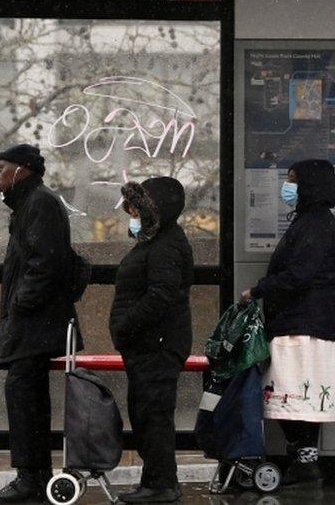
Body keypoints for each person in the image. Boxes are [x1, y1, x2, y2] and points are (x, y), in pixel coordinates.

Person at [0, 144, 80, 504]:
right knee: (28, 397)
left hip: (34, 326)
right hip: (33, 325)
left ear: (21, 170)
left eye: (2, 168)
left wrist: (21, 305)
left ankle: (30, 479)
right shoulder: (31, 204)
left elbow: (44, 264)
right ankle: (35, 476)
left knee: (23, 396)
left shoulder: (39, 203)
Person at [240, 159, 335, 487]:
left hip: (301, 326)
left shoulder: (313, 224)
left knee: (292, 395)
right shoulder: (315, 221)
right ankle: (303, 460)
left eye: (292, 180)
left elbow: (300, 274)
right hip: (305, 322)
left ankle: (304, 463)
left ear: (308, 185)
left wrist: (258, 290)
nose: (287, 187)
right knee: (299, 396)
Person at [109, 177, 194, 503]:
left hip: (157, 345)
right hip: (149, 345)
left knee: (153, 415)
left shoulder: (165, 244)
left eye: (135, 210)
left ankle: (160, 484)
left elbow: (162, 294)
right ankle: (157, 480)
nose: (131, 217)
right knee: (146, 413)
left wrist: (125, 326)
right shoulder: (157, 241)